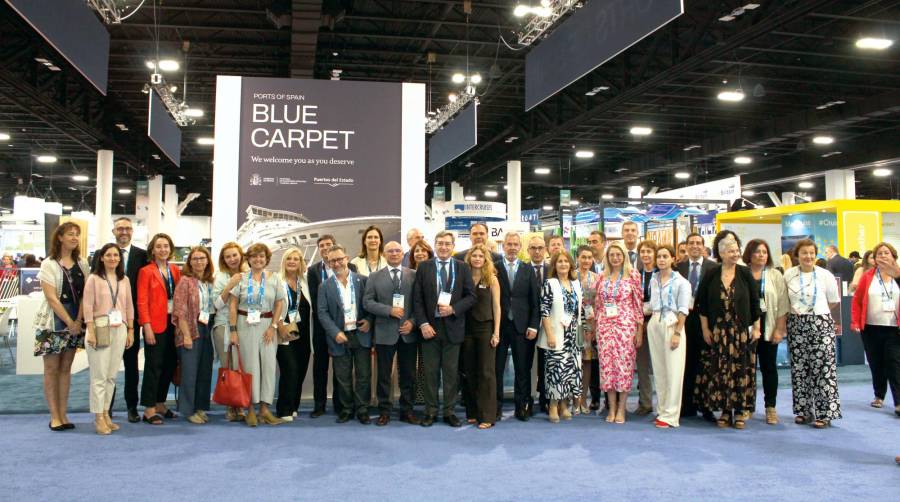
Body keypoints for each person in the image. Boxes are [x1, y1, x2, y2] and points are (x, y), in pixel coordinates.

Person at [695, 236, 761, 429]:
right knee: (721, 371)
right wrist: (705, 328)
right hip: (719, 331)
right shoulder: (711, 274)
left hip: (740, 331)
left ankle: (740, 411)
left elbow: (755, 302)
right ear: (722, 253)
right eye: (731, 251)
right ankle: (724, 410)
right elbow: (702, 304)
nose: (735, 254)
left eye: (736, 251)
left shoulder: (745, 273)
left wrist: (756, 327)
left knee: (741, 370)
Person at [413, 230, 476, 427]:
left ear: (453, 246)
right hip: (429, 329)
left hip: (453, 328)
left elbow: (471, 296)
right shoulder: (424, 267)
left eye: (447, 244)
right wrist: (423, 323)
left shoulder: (462, 267)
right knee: (430, 373)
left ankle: (449, 411)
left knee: (451, 373)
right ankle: (430, 411)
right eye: (440, 243)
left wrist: (453, 309)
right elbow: (418, 299)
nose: (443, 247)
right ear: (435, 244)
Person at [34, 222, 89, 431]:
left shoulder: (82, 263)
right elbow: (51, 298)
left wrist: (79, 320)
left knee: (66, 368)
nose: (74, 238)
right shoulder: (48, 263)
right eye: (70, 234)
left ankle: (64, 414)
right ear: (60, 237)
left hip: (76, 318)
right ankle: (54, 416)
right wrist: (70, 322)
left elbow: (85, 293)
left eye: (77, 234)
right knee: (51, 369)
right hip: (54, 321)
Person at [783, 239, 842, 428]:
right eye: (804, 253)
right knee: (800, 369)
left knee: (824, 369)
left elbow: (833, 301)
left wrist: (815, 311)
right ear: (797, 255)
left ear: (815, 255)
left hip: (820, 323)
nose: (808, 257)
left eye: (811, 253)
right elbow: (785, 301)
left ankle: (825, 413)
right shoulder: (789, 275)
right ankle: (803, 410)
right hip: (796, 323)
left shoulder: (825, 275)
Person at [228, 243, 286, 427]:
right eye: (254, 256)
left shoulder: (275, 278)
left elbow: (279, 304)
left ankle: (265, 410)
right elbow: (233, 305)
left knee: (268, 367)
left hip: (268, 326)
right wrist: (233, 331)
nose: (258, 259)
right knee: (250, 367)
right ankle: (250, 410)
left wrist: (274, 326)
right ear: (249, 259)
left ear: (266, 259)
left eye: (261, 256)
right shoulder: (241, 279)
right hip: (245, 325)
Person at [363, 241, 420, 426]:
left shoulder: (413, 275)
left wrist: (412, 322)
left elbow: (420, 303)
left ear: (402, 253)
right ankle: (384, 411)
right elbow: (368, 302)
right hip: (384, 333)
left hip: (408, 333)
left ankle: (407, 410)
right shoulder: (374, 276)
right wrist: (389, 310)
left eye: (397, 250)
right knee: (384, 375)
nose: (394, 253)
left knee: (409, 375)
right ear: (384, 254)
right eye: (390, 251)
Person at [317, 245, 373, 424]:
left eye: (339, 259)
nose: (337, 263)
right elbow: (322, 313)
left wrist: (370, 321)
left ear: (347, 258)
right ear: (329, 263)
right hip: (339, 337)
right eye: (332, 260)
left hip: (361, 334)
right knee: (343, 376)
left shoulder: (363, 280)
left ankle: (362, 409)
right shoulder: (324, 286)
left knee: (364, 375)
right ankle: (347, 409)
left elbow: (372, 304)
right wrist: (335, 333)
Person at [83, 243, 134, 434]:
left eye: (116, 255)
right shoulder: (94, 279)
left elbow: (129, 306)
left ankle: (106, 413)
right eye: (109, 255)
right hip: (100, 326)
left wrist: (130, 330)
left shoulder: (125, 280)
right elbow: (87, 306)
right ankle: (98, 417)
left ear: (120, 259)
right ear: (101, 258)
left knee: (111, 376)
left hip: (119, 327)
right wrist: (91, 331)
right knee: (99, 376)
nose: (113, 258)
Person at [307, 234, 357, 417]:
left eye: (329, 244)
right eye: (322, 246)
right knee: (320, 367)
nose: (326, 247)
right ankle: (319, 405)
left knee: (341, 367)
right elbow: (315, 300)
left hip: (345, 327)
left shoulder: (351, 268)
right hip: (322, 327)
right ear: (319, 250)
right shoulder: (313, 271)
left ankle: (339, 404)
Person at [595, 241, 644, 424]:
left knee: (624, 368)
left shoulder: (633, 275)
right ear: (607, 257)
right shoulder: (602, 277)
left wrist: (639, 331)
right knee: (607, 369)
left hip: (626, 327)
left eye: (618, 254)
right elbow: (598, 305)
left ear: (624, 256)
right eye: (612, 255)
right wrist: (597, 328)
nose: (615, 258)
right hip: (605, 328)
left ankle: (622, 409)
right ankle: (612, 407)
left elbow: (638, 305)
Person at [494, 232, 541, 421]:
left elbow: (535, 301)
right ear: (503, 246)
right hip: (500, 326)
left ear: (520, 248)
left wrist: (533, 325)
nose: (512, 247)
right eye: (509, 244)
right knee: (496, 369)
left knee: (522, 369)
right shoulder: (494, 268)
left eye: (515, 244)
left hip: (522, 328)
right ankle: (495, 407)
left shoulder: (528, 269)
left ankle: (521, 406)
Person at [744, 239, 790, 425]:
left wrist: (780, 329)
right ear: (750, 254)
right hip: (747, 329)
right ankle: (747, 405)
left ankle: (770, 407)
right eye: (757, 252)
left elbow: (782, 304)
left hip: (769, 326)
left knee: (769, 368)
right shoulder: (742, 273)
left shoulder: (775, 275)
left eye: (764, 252)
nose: (761, 255)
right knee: (747, 369)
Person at [137, 233, 181, 425]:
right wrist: (146, 326)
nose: (163, 249)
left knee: (169, 365)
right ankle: (148, 408)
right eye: (159, 246)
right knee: (153, 366)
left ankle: (160, 403)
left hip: (173, 324)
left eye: (166, 246)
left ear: (170, 249)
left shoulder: (175, 269)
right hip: (154, 325)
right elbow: (142, 300)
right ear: (152, 250)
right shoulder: (146, 271)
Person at [851, 242, 900, 415]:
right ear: (874, 259)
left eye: (886, 253)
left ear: (893, 256)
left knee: (894, 364)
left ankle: (898, 402)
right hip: (870, 328)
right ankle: (879, 395)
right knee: (876, 363)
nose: (883, 256)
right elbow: (857, 300)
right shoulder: (867, 276)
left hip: (895, 329)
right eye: (879, 254)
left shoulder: (898, 275)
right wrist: (855, 322)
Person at [107, 217, 147, 423]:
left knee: (131, 366)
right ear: (113, 231)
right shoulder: (102, 254)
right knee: (108, 366)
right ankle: (107, 407)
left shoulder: (143, 255)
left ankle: (132, 407)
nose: (124, 232)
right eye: (120, 228)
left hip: (132, 320)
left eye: (128, 228)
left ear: (132, 232)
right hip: (107, 320)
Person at [646, 245, 691, 428]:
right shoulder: (654, 279)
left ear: (673, 259)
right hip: (655, 322)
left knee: (674, 371)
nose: (661, 259)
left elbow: (683, 309)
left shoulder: (682, 282)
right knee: (659, 370)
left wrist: (678, 333)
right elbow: (652, 304)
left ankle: (671, 415)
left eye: (665, 256)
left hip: (673, 325)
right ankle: (662, 409)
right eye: (659, 256)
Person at [172, 246, 216, 425]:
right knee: (189, 372)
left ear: (207, 261)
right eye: (195, 258)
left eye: (202, 258)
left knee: (204, 370)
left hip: (207, 327)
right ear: (190, 262)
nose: (199, 261)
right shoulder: (185, 281)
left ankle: (200, 407)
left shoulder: (209, 282)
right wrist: (186, 335)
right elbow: (179, 311)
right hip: (190, 328)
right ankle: (188, 410)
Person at [538, 250, 584, 423]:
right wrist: (549, 334)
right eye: (559, 262)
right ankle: (553, 405)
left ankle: (564, 405)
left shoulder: (576, 284)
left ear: (571, 264)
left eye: (566, 261)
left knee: (570, 371)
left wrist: (583, 332)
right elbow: (544, 311)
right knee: (556, 371)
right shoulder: (550, 284)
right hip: (556, 334)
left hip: (573, 335)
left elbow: (581, 311)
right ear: (554, 265)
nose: (563, 264)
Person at [459, 244, 501, 429]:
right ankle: (473, 411)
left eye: (480, 256)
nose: (477, 258)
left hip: (485, 328)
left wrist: (496, 332)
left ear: (485, 260)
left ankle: (487, 416)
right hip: (466, 329)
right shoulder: (463, 278)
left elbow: (497, 307)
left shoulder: (491, 278)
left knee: (486, 372)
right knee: (469, 371)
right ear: (469, 258)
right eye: (474, 255)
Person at [676, 232, 717, 420]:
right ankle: (686, 405)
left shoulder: (713, 267)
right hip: (684, 320)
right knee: (686, 364)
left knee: (706, 365)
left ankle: (706, 406)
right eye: (691, 243)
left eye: (698, 243)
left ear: (703, 246)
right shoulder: (678, 267)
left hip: (705, 321)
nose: (694, 246)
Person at [274, 248, 314, 421]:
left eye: (296, 259)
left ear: (300, 263)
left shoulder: (304, 282)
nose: (292, 261)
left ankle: (294, 405)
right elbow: (271, 306)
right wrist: (279, 326)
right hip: (284, 333)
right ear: (284, 261)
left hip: (304, 334)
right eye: (289, 258)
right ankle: (284, 409)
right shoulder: (276, 280)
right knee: (289, 369)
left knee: (301, 370)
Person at [212, 242, 248, 422]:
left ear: (240, 255)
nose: (232, 259)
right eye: (228, 256)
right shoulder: (220, 276)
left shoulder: (248, 274)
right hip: (223, 326)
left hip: (244, 326)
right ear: (223, 259)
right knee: (227, 366)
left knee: (239, 366)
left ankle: (239, 404)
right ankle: (229, 406)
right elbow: (216, 305)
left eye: (235, 255)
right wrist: (230, 285)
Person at [528, 236, 551, 414]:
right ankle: (528, 399)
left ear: (546, 250)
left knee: (546, 364)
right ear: (528, 250)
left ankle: (545, 399)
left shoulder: (552, 270)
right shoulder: (522, 269)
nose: (537, 251)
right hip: (527, 325)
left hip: (549, 325)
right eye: (533, 248)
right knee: (527, 364)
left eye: (540, 248)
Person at [635, 239, 658, 416]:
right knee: (642, 366)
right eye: (643, 252)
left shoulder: (662, 273)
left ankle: (665, 404)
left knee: (659, 365)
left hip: (658, 322)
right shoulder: (637, 275)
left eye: (649, 251)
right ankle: (645, 402)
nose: (646, 255)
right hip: (640, 323)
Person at [574, 246, 598, 414]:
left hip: (590, 324)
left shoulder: (598, 278)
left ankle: (584, 399)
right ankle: (574, 401)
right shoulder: (570, 276)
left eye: (589, 257)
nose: (586, 261)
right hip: (572, 323)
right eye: (583, 257)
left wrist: (595, 327)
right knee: (574, 362)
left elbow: (599, 304)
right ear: (577, 258)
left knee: (587, 362)